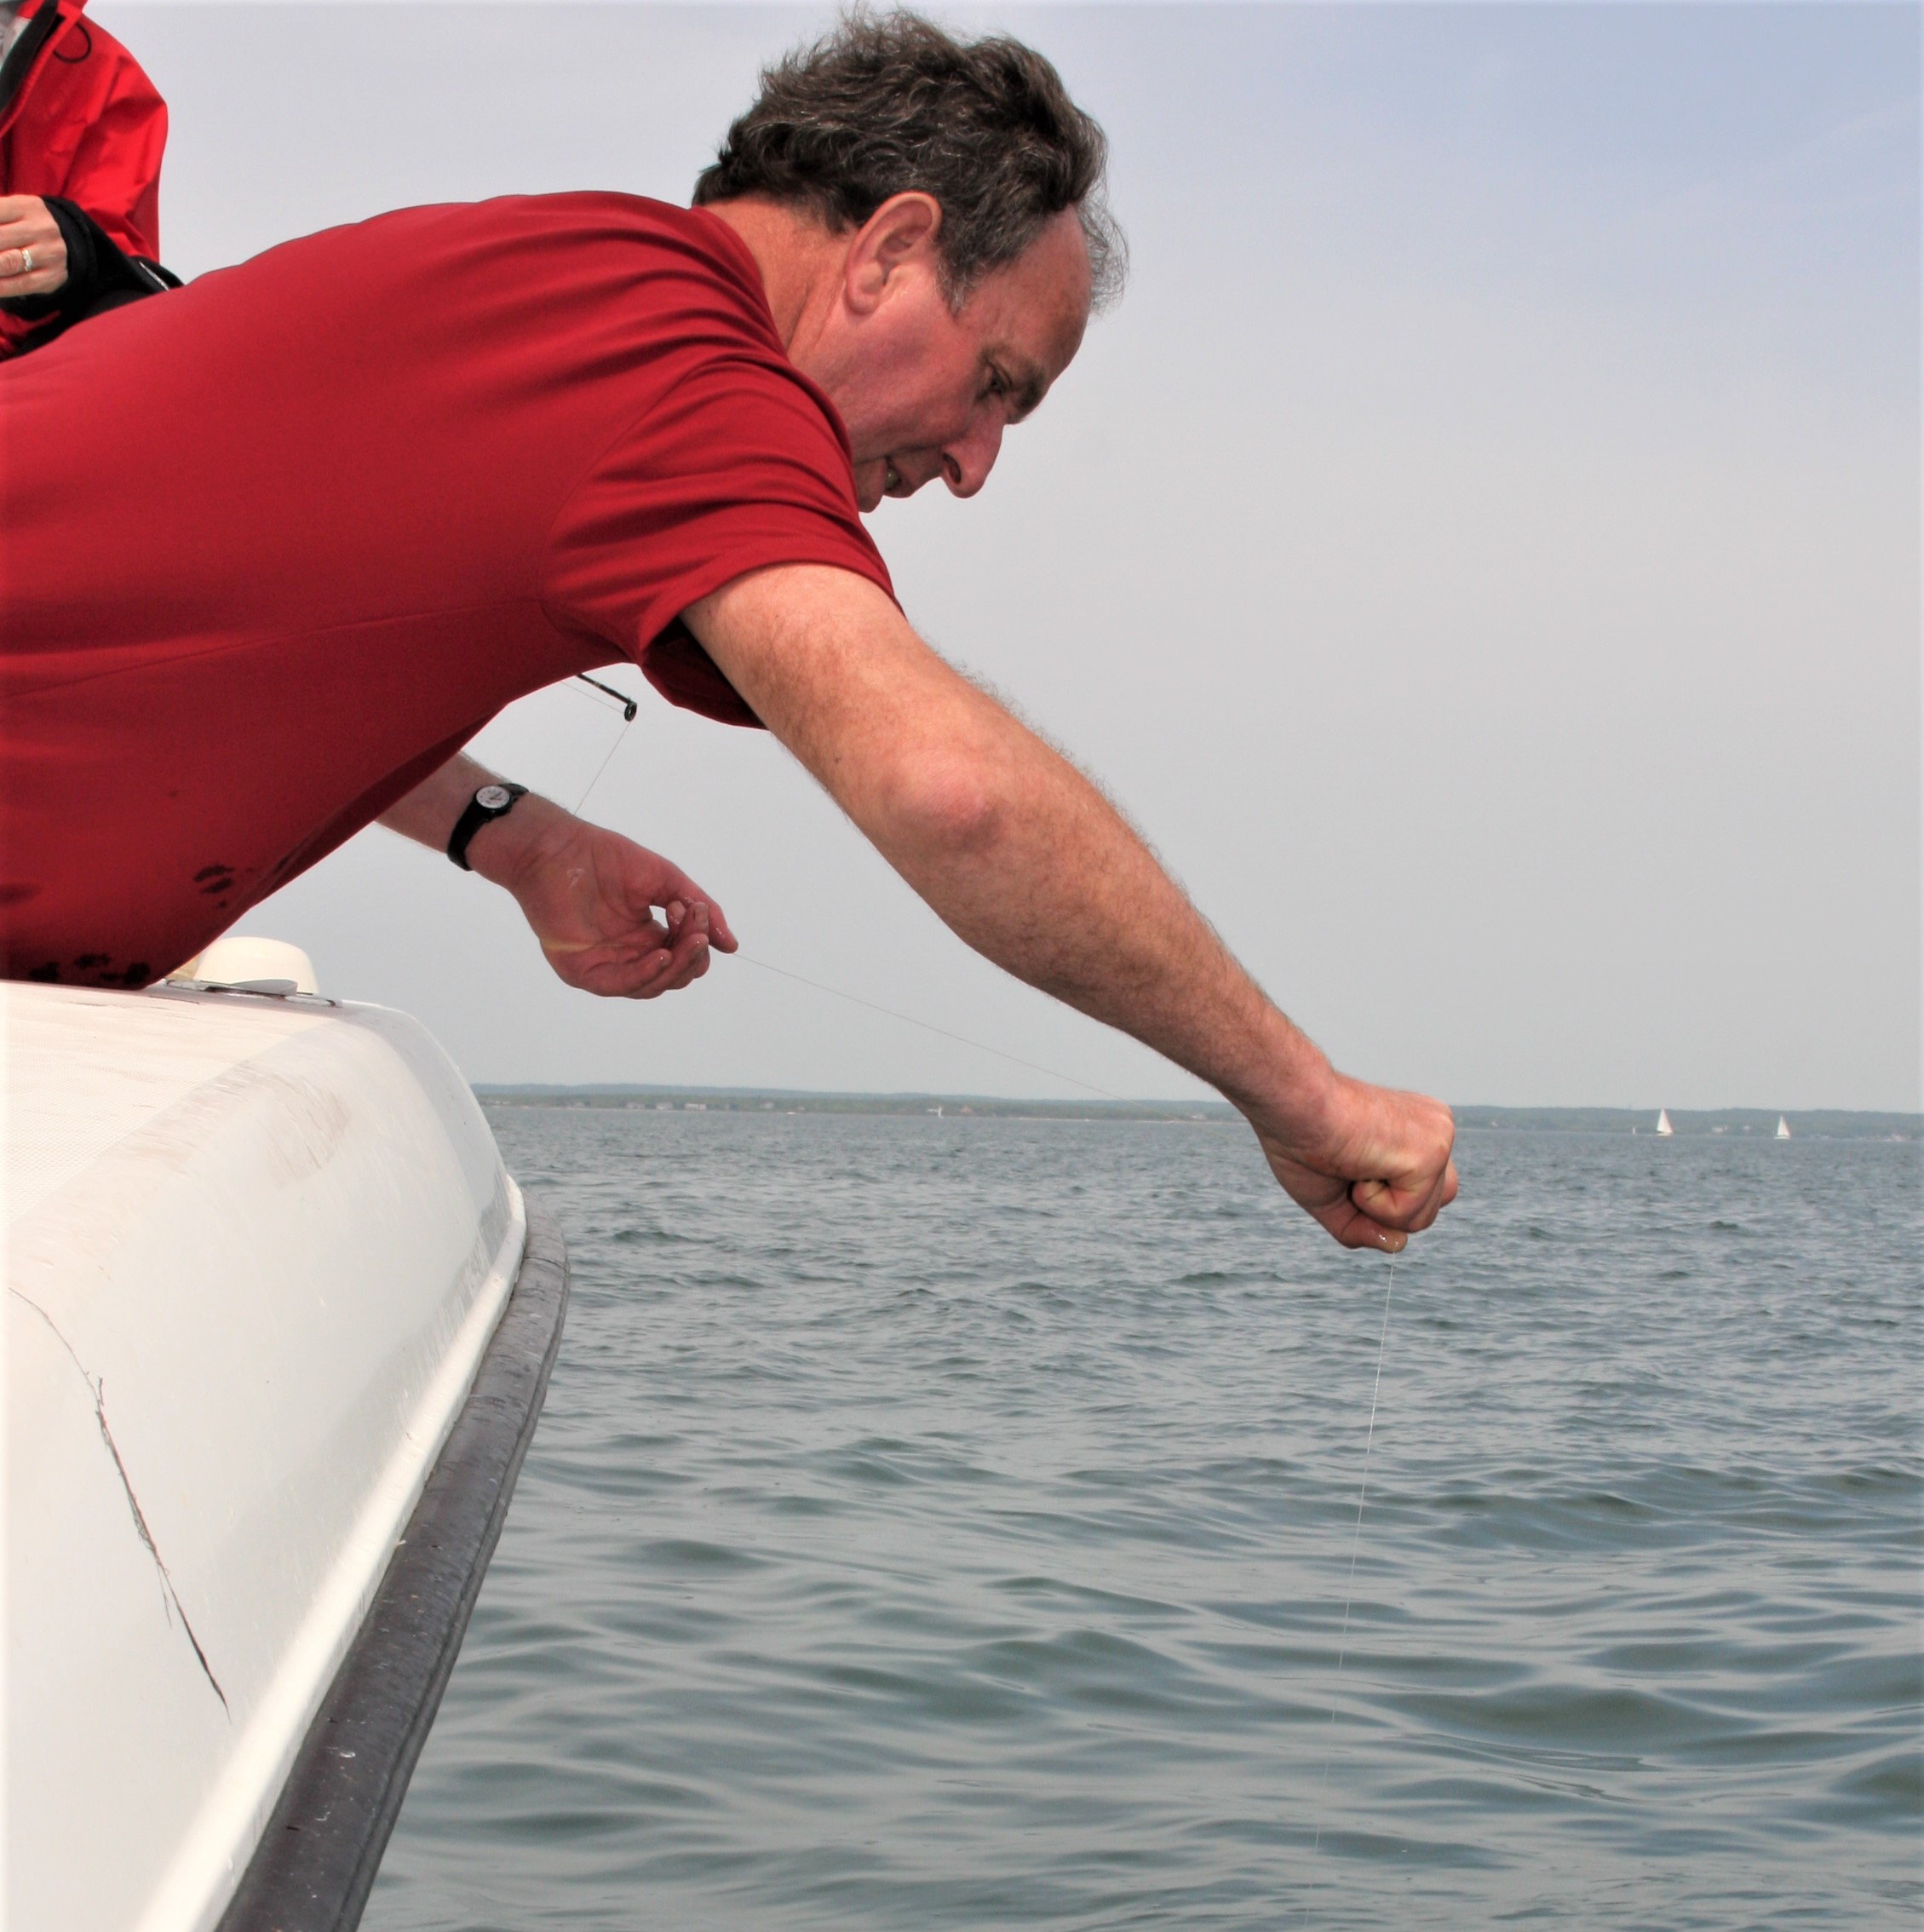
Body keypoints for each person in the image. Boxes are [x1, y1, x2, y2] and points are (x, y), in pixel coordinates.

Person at [0, 10, 1456, 1255]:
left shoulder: (558, 292)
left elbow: (222, 615)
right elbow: (952, 791)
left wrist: (514, 836)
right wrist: (1305, 1097)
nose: (973, 463)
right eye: (995, 383)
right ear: (887, 250)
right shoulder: (682, 372)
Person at [0, 0, 173, 358]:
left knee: (131, 329)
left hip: (32, 380)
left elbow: (130, 284)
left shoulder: (106, 79)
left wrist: (76, 250)